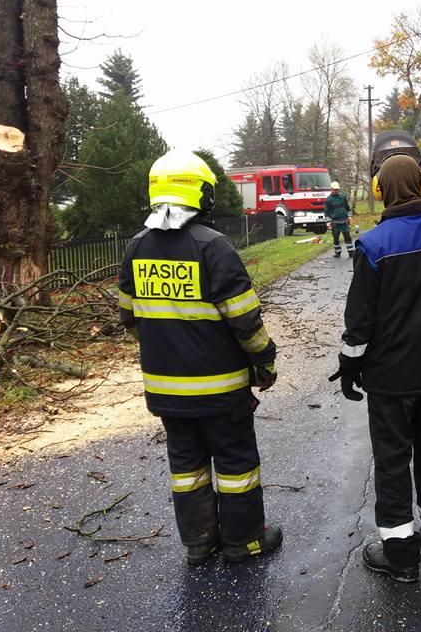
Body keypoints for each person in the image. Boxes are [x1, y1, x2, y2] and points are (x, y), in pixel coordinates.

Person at [118, 150, 282, 567]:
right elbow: (245, 321)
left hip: (165, 391)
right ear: (200, 193)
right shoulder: (213, 247)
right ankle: (243, 541)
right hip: (221, 390)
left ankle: (199, 542)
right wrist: (265, 359)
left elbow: (130, 318)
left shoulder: (136, 247)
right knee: (235, 465)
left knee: (186, 468)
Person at [330, 152, 421, 583]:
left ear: (380, 191)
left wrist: (350, 366)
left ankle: (402, 559)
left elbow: (360, 321)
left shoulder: (373, 245)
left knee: (393, 463)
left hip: (391, 381)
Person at [324, 181, 354, 258]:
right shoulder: (328, 200)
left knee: (347, 237)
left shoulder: (343, 197)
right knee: (336, 238)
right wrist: (328, 222)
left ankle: (351, 251)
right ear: (331, 189)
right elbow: (326, 212)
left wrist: (350, 216)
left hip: (344, 221)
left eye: (337, 189)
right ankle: (337, 252)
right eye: (334, 189)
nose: (336, 191)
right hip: (335, 223)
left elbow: (348, 208)